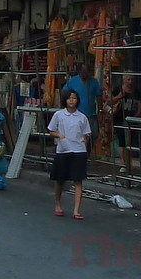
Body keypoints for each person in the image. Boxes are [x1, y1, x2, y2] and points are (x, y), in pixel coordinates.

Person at [49, 89, 91, 219]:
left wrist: (84, 147)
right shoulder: (59, 115)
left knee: (78, 180)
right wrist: (60, 135)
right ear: (65, 100)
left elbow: (86, 135)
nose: (71, 100)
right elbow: (51, 130)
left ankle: (76, 210)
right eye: (69, 98)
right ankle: (58, 204)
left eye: (74, 98)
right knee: (60, 180)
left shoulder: (82, 117)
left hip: (78, 151)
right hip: (63, 150)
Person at [109, 75, 141, 173]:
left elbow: (140, 105)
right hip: (120, 118)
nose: (130, 82)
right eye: (128, 79)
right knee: (122, 141)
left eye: (132, 79)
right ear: (124, 80)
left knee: (130, 142)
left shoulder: (136, 91)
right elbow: (109, 102)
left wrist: (137, 116)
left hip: (132, 119)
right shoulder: (118, 89)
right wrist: (119, 97)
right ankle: (123, 163)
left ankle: (129, 163)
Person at [64, 61, 103, 145]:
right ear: (79, 71)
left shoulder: (94, 82)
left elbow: (99, 96)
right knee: (79, 135)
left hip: (91, 114)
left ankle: (86, 152)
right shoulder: (73, 81)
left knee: (95, 134)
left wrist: (100, 110)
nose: (85, 74)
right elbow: (64, 92)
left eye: (86, 71)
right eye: (83, 71)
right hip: (77, 113)